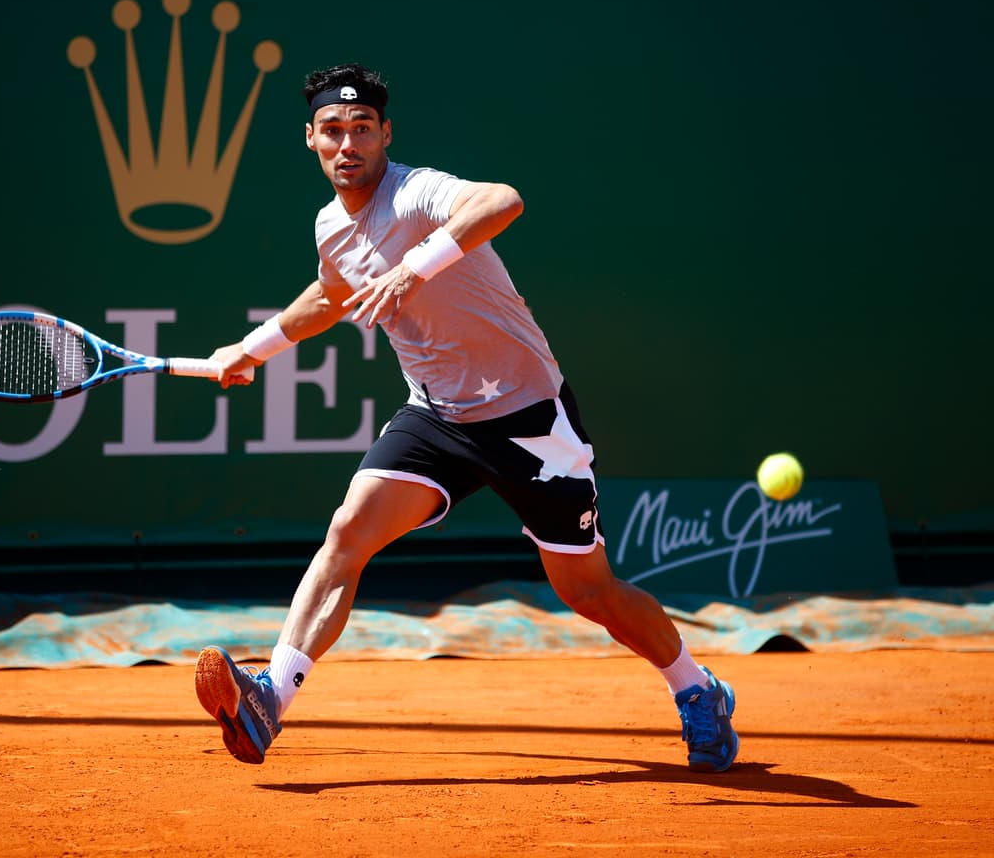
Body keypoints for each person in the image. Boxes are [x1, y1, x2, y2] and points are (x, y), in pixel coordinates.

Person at [194, 63, 738, 773]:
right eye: (333, 131)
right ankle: (271, 699)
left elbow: (502, 201)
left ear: (385, 134)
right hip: (437, 418)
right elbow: (331, 294)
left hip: (528, 420)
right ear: (311, 140)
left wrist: (416, 265)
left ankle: (697, 690)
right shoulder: (332, 225)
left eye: (362, 129)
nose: (348, 143)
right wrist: (253, 349)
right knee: (348, 531)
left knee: (589, 591)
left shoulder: (418, 193)